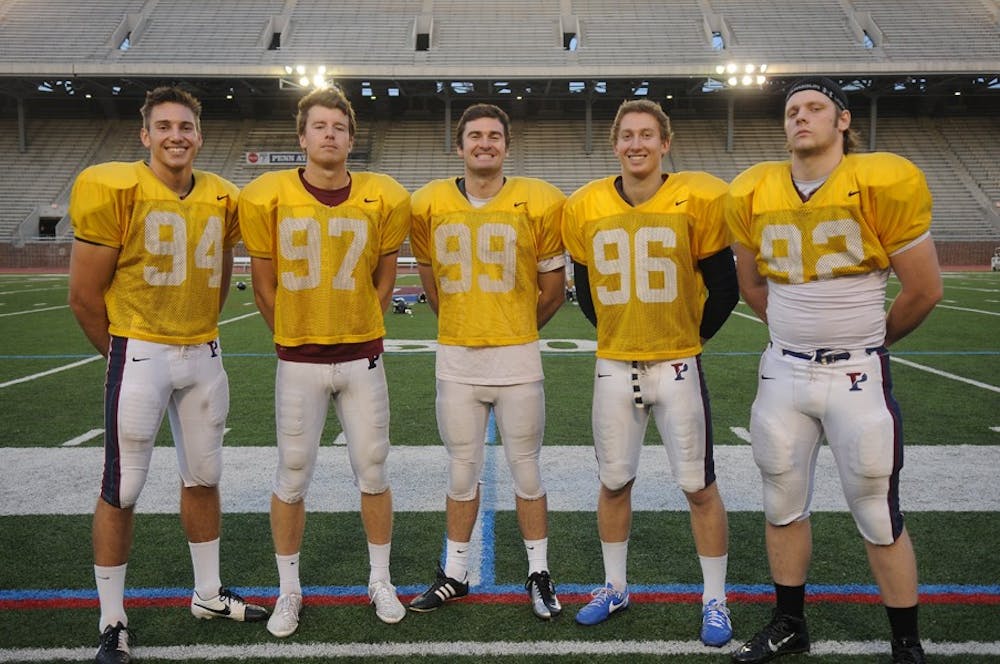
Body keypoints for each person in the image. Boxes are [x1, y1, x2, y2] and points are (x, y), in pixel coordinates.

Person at [725, 77, 941, 664]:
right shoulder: (753, 189)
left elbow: (924, 289)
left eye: (815, 108)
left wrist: (871, 340)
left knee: (876, 507)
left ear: (842, 120)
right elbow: (750, 286)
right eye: (792, 110)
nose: (801, 118)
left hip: (858, 374)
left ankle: (906, 643)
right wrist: (797, 335)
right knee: (781, 501)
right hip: (784, 374)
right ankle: (789, 623)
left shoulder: (880, 181)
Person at [68, 86, 267, 664]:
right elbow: (83, 297)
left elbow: (226, 267)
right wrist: (124, 353)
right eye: (164, 126)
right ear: (145, 134)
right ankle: (112, 619)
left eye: (186, 126)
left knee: (204, 476)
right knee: (123, 488)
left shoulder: (223, 197)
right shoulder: (116, 188)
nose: (176, 135)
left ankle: (207, 594)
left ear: (199, 136)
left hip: (203, 353)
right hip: (140, 350)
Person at [561, 99, 739, 646]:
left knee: (698, 486)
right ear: (615, 144)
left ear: (666, 143)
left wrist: (686, 340)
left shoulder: (697, 198)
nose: (636, 144)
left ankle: (715, 598)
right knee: (614, 482)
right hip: (614, 367)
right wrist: (621, 337)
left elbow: (725, 290)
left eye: (647, 135)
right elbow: (587, 294)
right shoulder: (587, 205)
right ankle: (615, 586)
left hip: (678, 365)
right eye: (627, 136)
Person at [238, 86, 411, 637]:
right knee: (292, 475)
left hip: (362, 359)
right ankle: (289, 589)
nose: (330, 133)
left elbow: (386, 277)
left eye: (339, 125)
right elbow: (263, 286)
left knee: (374, 470)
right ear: (303, 136)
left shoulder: (381, 195)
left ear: (351, 138)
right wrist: (295, 335)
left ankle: (379, 579)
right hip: (299, 361)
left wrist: (360, 321)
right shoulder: (270, 195)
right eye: (320, 125)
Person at [407, 103, 566, 620]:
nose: (484, 143)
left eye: (494, 136)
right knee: (461, 473)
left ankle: (539, 572)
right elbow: (431, 286)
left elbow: (553, 290)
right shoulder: (430, 202)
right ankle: (455, 572)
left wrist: (513, 332)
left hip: (517, 359)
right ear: (459, 146)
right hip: (457, 359)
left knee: (527, 472)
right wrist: (468, 326)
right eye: (475, 136)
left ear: (506, 145)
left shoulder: (538, 201)